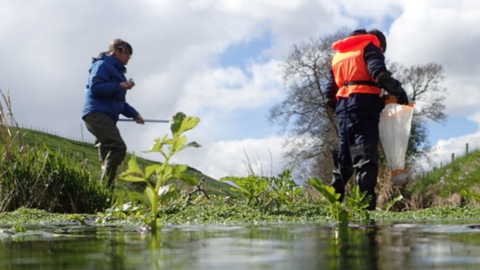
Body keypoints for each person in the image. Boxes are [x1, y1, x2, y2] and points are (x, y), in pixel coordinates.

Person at [324, 29, 409, 210]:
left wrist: (343, 110)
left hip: (343, 110)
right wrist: (399, 92)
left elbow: (329, 96)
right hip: (364, 108)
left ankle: (331, 206)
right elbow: (378, 73)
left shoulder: (338, 56)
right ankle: (366, 212)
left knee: (344, 160)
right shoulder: (370, 46)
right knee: (366, 159)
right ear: (381, 45)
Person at [82, 39, 145, 191]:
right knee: (118, 147)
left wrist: (134, 114)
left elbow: (119, 103)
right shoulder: (102, 65)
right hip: (98, 114)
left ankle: (103, 196)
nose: (128, 58)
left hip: (106, 117)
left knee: (108, 153)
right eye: (127, 54)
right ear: (117, 50)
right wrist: (118, 86)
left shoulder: (118, 74)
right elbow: (96, 88)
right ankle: (105, 189)